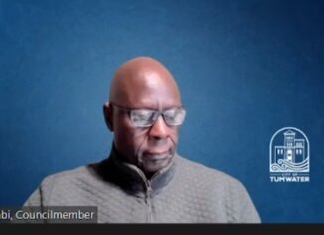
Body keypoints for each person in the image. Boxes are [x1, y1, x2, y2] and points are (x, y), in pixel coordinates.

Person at [24, 57, 260, 223]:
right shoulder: (55, 197)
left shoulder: (228, 196)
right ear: (110, 117)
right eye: (142, 117)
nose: (160, 131)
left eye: (172, 116)